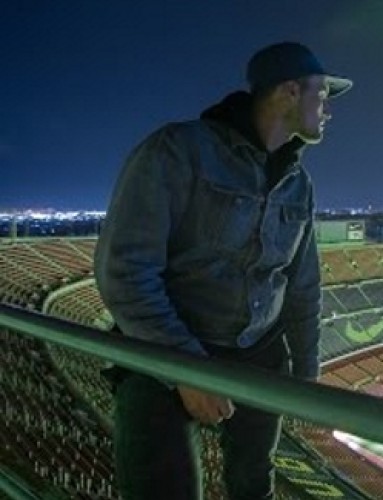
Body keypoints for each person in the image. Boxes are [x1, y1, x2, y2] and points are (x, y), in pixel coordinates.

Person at [94, 42, 352, 500]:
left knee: (255, 488)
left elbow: (302, 287)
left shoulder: (299, 183)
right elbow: (125, 272)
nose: (328, 108)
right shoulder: (178, 150)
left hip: (258, 354)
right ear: (290, 91)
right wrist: (186, 369)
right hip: (164, 354)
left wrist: (306, 382)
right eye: (322, 93)